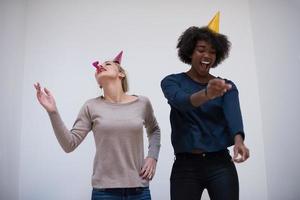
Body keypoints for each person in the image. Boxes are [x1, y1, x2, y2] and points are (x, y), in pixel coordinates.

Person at [34, 51, 161, 200]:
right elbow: (69, 144)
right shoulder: (91, 106)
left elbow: (154, 130)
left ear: (121, 74)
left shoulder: (142, 103)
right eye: (99, 66)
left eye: (108, 64)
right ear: (98, 82)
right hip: (104, 192)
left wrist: (152, 157)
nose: (101, 66)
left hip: (139, 190)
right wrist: (53, 112)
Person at [160, 12, 249, 200]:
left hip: (220, 165)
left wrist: (239, 141)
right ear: (190, 51)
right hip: (186, 167)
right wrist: (207, 94)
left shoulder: (226, 86)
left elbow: (233, 116)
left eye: (212, 52)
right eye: (201, 49)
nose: (207, 55)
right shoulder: (172, 82)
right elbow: (182, 102)